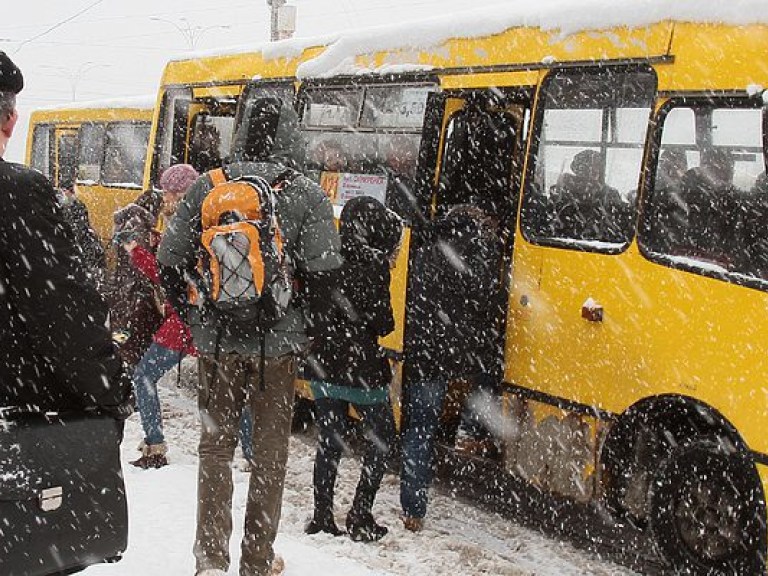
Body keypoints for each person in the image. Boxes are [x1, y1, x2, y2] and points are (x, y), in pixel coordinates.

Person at [157, 101, 342, 576]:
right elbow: (324, 280)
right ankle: (257, 561)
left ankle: (210, 561)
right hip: (278, 350)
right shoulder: (306, 194)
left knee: (215, 450)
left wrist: (199, 316)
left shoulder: (207, 187)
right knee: (269, 458)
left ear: (239, 134)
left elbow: (168, 261)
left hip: (218, 345)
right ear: (291, 136)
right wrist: (305, 331)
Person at [0, 50, 131, 414]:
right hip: (17, 408)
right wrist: (109, 391)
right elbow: (61, 311)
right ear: (10, 120)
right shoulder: (18, 192)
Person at [305, 196, 403, 542]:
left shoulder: (322, 254)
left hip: (322, 367)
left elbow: (312, 312)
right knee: (382, 439)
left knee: (329, 440)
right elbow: (384, 323)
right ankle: (360, 514)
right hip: (361, 370)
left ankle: (321, 516)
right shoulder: (374, 262)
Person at [400, 203, 502, 532]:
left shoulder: (426, 253)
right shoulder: (480, 258)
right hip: (458, 353)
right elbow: (485, 303)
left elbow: (414, 299)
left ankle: (413, 509)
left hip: (423, 352)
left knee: (420, 429)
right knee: (488, 374)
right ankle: (470, 430)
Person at [122, 164, 200, 469]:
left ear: (179, 193)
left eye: (167, 191)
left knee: (143, 375)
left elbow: (166, 277)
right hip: (206, 316)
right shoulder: (197, 220)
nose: (163, 196)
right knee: (225, 389)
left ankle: (154, 444)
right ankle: (251, 453)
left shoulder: (183, 225)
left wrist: (135, 250)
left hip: (186, 318)